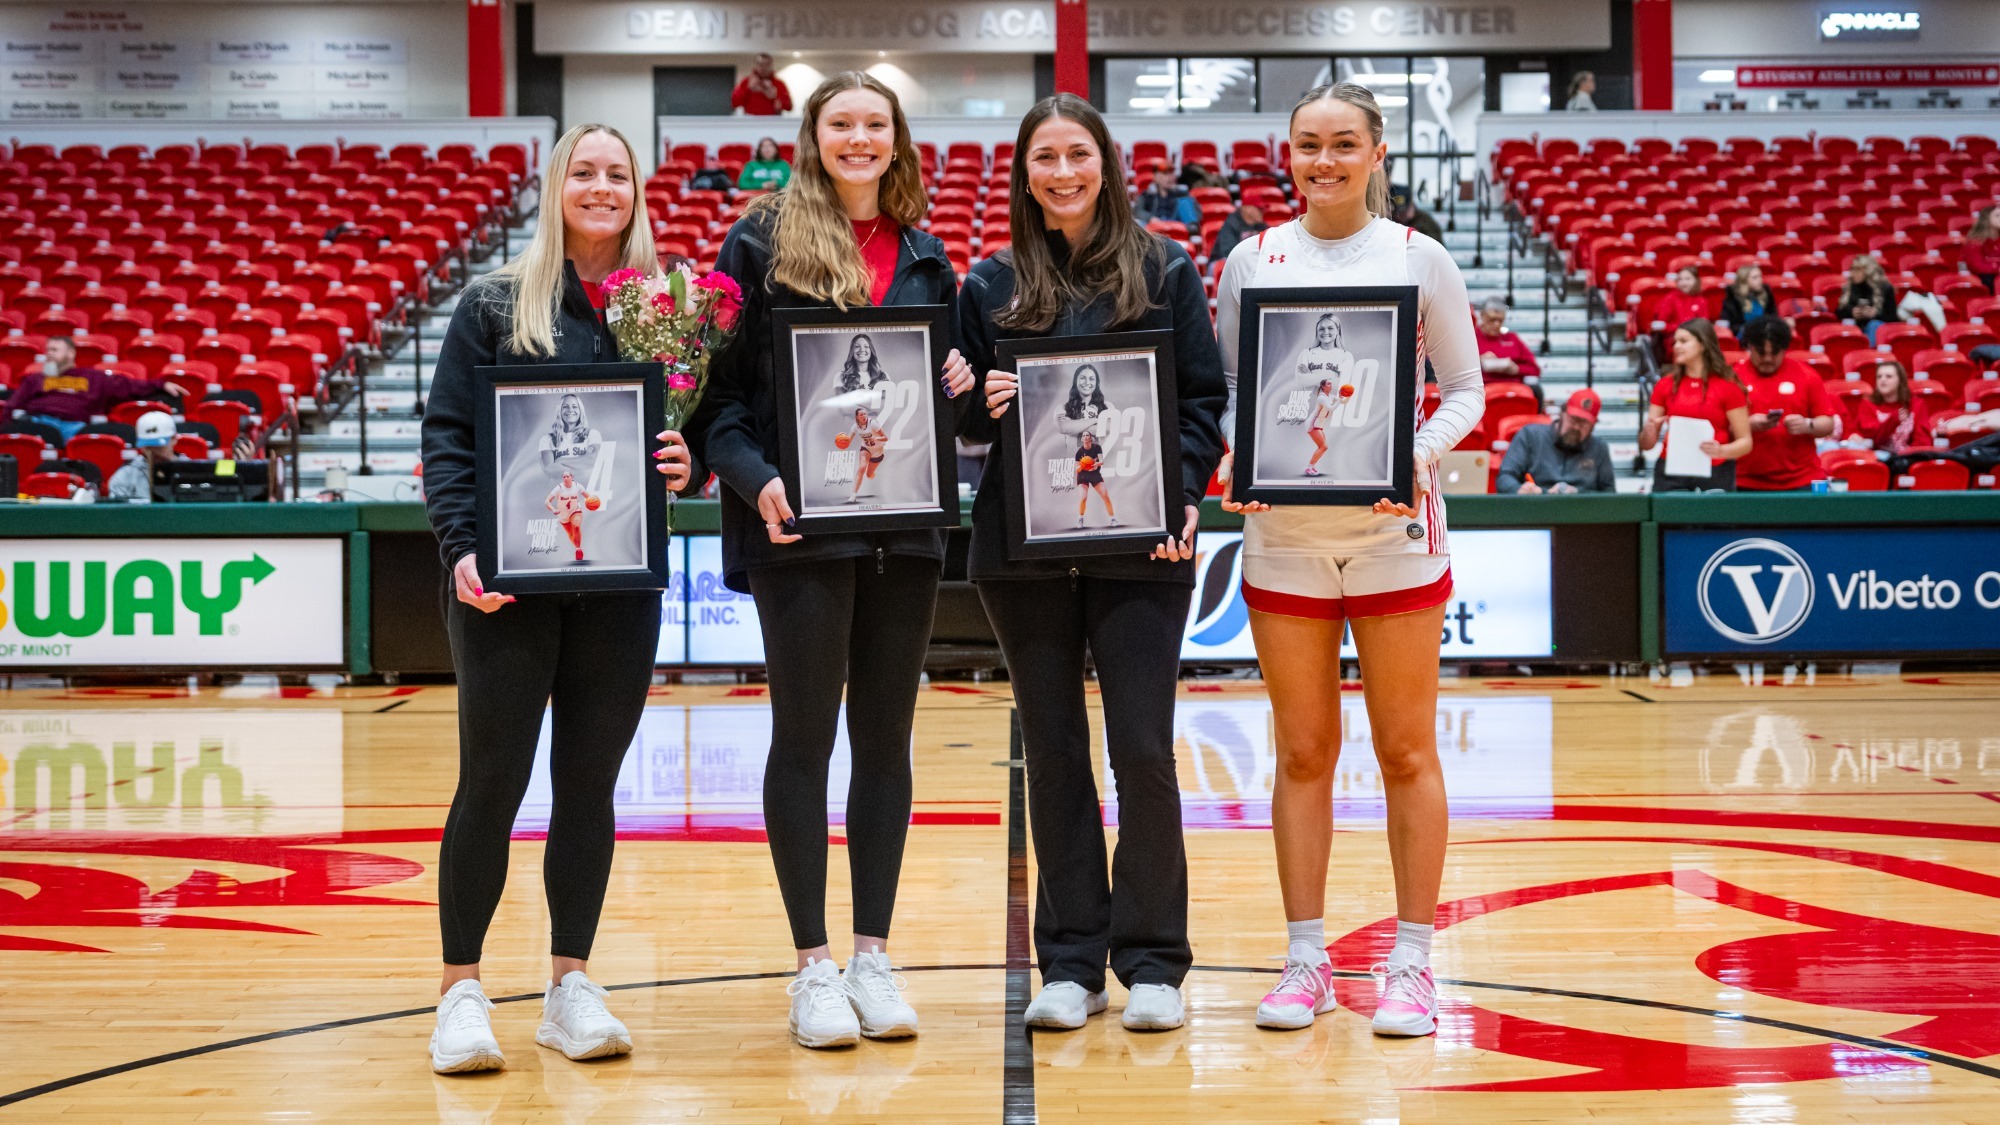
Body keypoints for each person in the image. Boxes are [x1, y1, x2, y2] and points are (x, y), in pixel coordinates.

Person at [683, 72, 976, 1050]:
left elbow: (960, 409)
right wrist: (757, 477)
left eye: (874, 125)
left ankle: (872, 954)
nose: (858, 139)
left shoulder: (933, 258)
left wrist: (960, 380)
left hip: (902, 530)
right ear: (814, 138)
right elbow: (713, 401)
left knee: (886, 741)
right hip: (797, 531)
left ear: (895, 141)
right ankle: (811, 965)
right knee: (803, 739)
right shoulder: (757, 242)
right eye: (840, 124)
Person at [418, 122, 696, 1075]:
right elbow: (451, 437)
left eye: (618, 173)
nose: (602, 186)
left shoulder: (665, 306)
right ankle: (460, 989)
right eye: (585, 171)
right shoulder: (495, 302)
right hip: (507, 590)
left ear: (638, 190)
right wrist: (461, 548)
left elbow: (679, 440)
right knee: (491, 782)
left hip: (616, 587)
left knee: (587, 787)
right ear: (556, 184)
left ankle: (568, 984)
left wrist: (683, 458)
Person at [1213, 82, 1484, 1038]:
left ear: (1377, 154)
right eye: (1305, 145)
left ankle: (1413, 961)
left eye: (1342, 144)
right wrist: (1235, 457)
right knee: (1301, 751)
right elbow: (1238, 388)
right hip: (1283, 537)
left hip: (1390, 533)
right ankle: (1306, 958)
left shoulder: (1421, 257)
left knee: (1408, 749)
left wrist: (1411, 456)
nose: (1322, 160)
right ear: (1285, 155)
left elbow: (1464, 392)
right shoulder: (1251, 259)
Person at [962, 92, 1225, 1035]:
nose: (1062, 172)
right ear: (1024, 173)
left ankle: (1154, 959)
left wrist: (1184, 494)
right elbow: (960, 417)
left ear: (1106, 164)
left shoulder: (1167, 267)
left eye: (1078, 154)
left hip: (1140, 545)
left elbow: (1200, 402)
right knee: (1056, 754)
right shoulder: (988, 282)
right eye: (1044, 158)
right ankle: (1070, 963)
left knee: (1144, 750)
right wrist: (981, 397)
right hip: (1022, 552)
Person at [1639, 318, 1752, 492]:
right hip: (1671, 470)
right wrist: (1649, 432)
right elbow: (1646, 445)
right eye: (1675, 341)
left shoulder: (1728, 387)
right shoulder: (1665, 385)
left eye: (1684, 341)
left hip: (1715, 471)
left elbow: (1745, 442)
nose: (1676, 346)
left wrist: (1722, 450)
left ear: (1703, 345)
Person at [6, 336, 184, 442]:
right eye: (48, 350)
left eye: (55, 349)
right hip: (40, 423)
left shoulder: (92, 377)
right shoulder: (37, 379)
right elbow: (13, 405)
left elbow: (128, 387)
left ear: (71, 353)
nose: (49, 353)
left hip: (75, 427)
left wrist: (161, 384)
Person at [1734, 316, 1838, 491]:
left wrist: (1807, 425)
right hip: (1745, 480)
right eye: (1761, 352)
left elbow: (1828, 424)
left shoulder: (1807, 375)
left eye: (1774, 353)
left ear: (1785, 349)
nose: (1767, 359)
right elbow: (1718, 427)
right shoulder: (1733, 377)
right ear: (1750, 347)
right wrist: (1746, 425)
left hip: (1801, 479)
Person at [1496, 388, 1615, 494]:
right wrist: (1521, 489)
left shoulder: (1599, 448)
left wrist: (1580, 494)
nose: (1576, 427)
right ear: (1562, 413)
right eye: (1573, 419)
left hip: (1581, 513)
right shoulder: (1530, 435)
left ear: (1593, 426)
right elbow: (1504, 478)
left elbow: (1609, 493)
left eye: (1584, 423)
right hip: (1535, 510)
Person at [1846, 359, 1934, 455]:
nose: (1883, 380)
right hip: (1878, 458)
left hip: (1908, 458)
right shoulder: (1868, 404)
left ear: (1900, 380)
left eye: (1889, 376)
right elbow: (1875, 441)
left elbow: (1922, 442)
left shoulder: (1917, 405)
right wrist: (1893, 420)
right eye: (1879, 377)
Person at [105, 409, 175, 503]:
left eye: (158, 447)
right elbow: (116, 513)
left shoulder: (189, 471)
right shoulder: (126, 475)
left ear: (174, 439)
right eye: (148, 447)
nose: (153, 452)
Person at [1473, 297, 1541, 387]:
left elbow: (1535, 369)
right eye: (1492, 320)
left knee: (1535, 388)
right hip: (1483, 389)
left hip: (1513, 388)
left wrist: (1516, 369)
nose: (1496, 324)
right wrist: (1478, 361)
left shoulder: (1512, 338)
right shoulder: (1472, 338)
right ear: (1482, 316)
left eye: (1500, 320)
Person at [1836, 254, 1899, 344]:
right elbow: (1839, 312)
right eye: (1852, 269)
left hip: (1877, 332)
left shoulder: (1885, 288)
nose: (1852, 274)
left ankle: (1869, 353)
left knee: (1874, 325)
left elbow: (1893, 318)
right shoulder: (1850, 286)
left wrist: (1875, 314)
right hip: (1855, 328)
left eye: (1857, 270)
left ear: (1867, 271)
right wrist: (1852, 312)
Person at [1134, 161, 1199, 227]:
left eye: (1171, 173)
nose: (1169, 177)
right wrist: (1150, 218)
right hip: (1154, 228)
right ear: (1156, 176)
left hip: (1176, 227)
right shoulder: (1147, 195)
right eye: (1165, 174)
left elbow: (1197, 214)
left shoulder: (1182, 194)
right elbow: (1137, 211)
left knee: (1184, 201)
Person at [1719, 263, 1776, 329]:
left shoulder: (1767, 296)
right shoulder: (1732, 300)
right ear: (1744, 280)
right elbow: (1730, 325)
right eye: (1755, 277)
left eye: (1760, 276)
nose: (1760, 280)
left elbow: (1774, 320)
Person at [1961, 206, 1999, 292]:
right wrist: (1996, 267)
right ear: (1987, 219)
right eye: (1997, 216)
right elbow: (1976, 266)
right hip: (1984, 278)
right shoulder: (1975, 241)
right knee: (1988, 278)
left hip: (1995, 275)